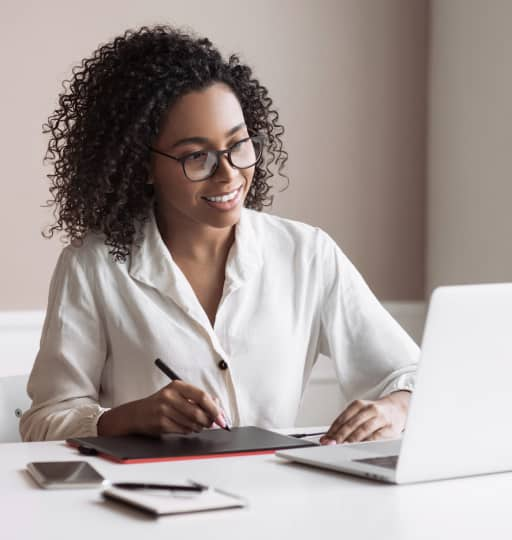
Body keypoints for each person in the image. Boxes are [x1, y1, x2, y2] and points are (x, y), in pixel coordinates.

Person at [20, 25, 419, 444]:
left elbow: (409, 373)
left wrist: (394, 408)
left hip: (275, 499)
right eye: (197, 156)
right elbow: (43, 421)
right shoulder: (94, 266)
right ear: (142, 165)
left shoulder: (306, 254)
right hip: (146, 500)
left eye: (239, 145)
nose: (229, 174)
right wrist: (127, 418)